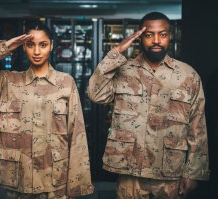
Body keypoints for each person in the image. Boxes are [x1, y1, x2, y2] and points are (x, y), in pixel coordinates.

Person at [0, 22, 93, 199]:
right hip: (19, 183)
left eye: (42, 45)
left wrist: (74, 187)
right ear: (23, 47)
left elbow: (77, 135)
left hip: (54, 184)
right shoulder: (6, 82)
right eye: (30, 44)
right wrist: (4, 48)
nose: (36, 51)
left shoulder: (66, 83)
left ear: (51, 46)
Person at [88, 12, 209, 199]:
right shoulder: (124, 70)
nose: (156, 40)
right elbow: (95, 94)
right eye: (149, 34)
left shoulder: (188, 75)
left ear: (170, 36)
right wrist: (116, 52)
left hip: (170, 171)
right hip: (130, 169)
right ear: (140, 37)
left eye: (163, 34)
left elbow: (197, 126)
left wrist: (193, 172)